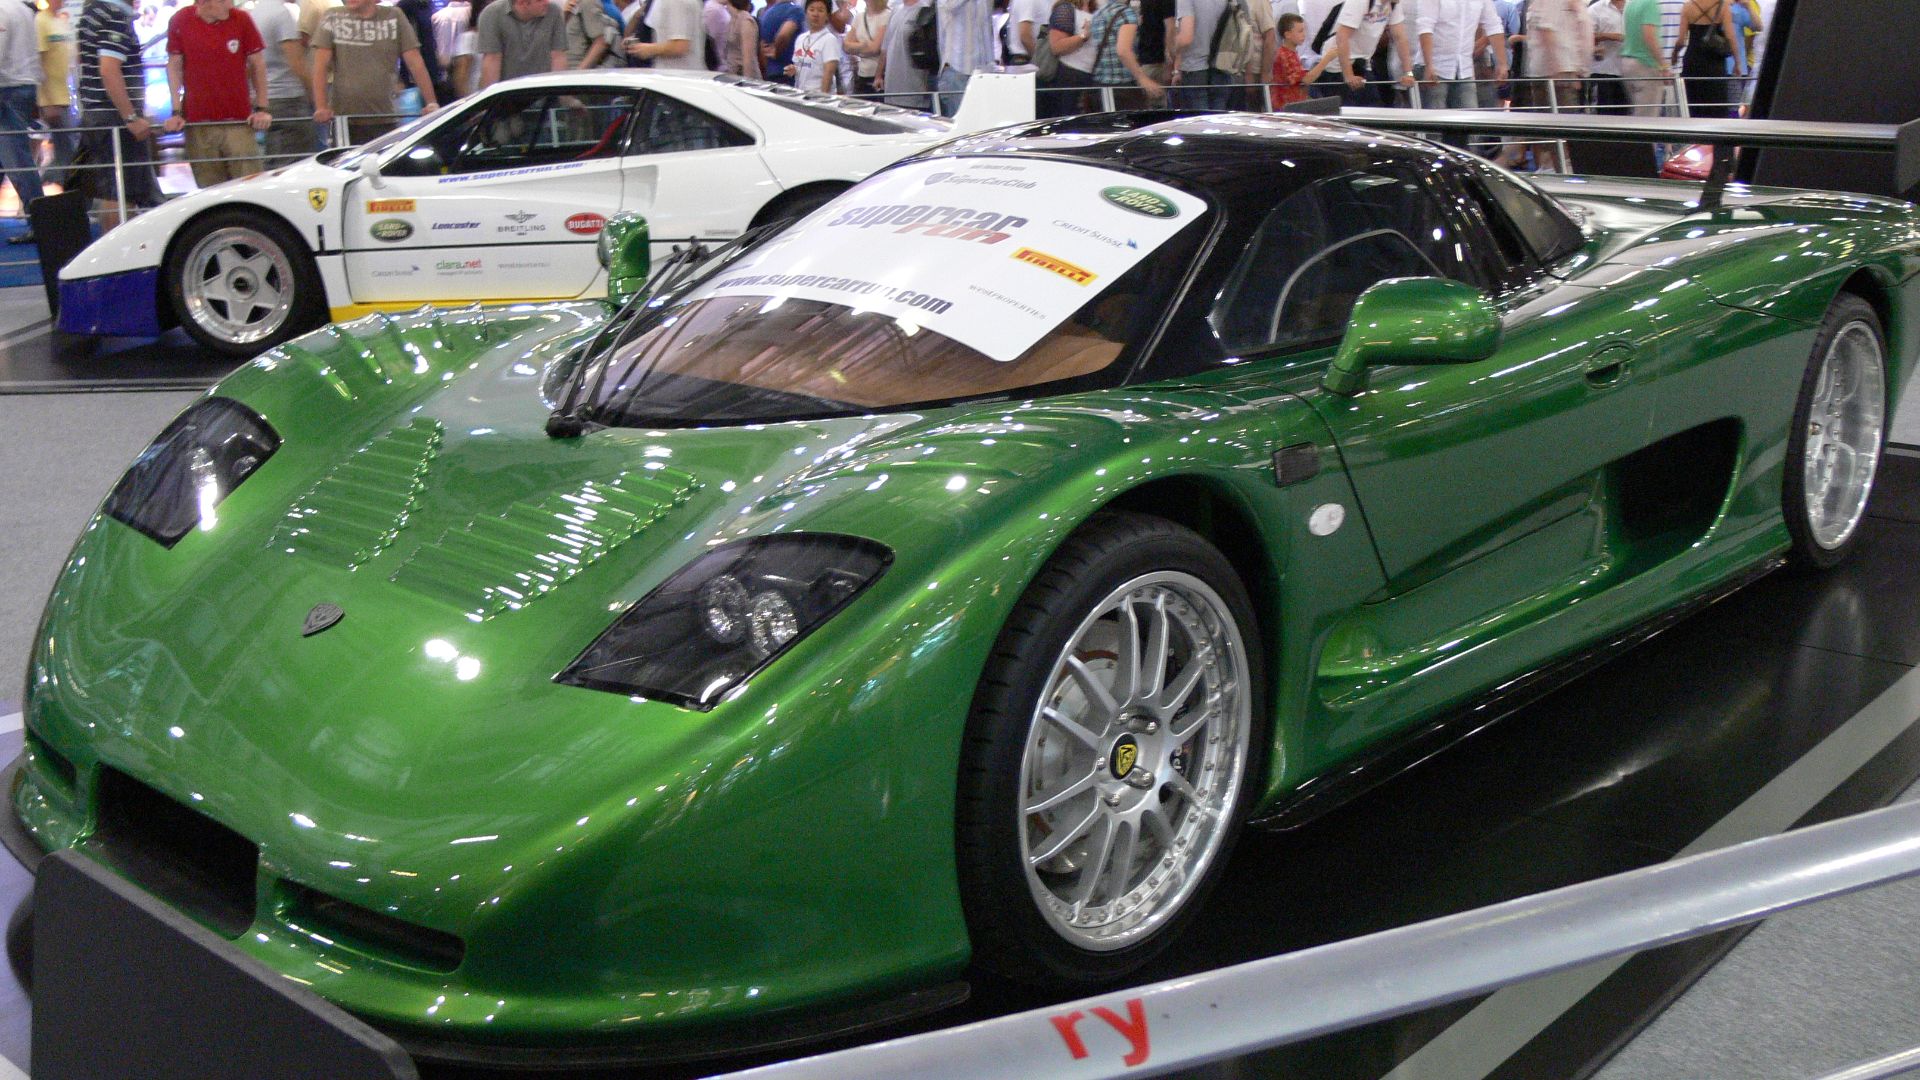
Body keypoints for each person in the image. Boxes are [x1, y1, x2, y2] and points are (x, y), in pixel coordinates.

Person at [165, 0, 271, 189]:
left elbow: (258, 64)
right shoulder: (180, 20)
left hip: (238, 120)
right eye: (223, 0)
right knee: (209, 190)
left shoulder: (241, 19)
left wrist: (262, 108)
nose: (230, 5)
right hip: (199, 122)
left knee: (250, 186)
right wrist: (176, 110)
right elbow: (174, 66)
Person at [77, 0, 159, 226]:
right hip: (114, 117)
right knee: (122, 192)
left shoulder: (92, 11)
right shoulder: (115, 15)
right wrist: (130, 116)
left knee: (112, 190)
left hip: (98, 113)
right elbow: (109, 69)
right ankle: (121, 256)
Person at [312, 0, 439, 145]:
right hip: (344, 119)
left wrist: (431, 102)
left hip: (385, 115)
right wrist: (321, 106)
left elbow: (415, 62)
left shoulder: (394, 16)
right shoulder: (332, 16)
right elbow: (320, 66)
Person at [1300, 0, 1415, 105]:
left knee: (1372, 106)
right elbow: (1342, 36)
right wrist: (1348, 75)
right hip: (1337, 64)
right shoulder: (1360, 2)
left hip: (1362, 62)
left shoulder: (1393, 4)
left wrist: (1408, 73)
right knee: (1346, 108)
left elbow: (1400, 38)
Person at [0, 0, 43, 219]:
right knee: (11, 155)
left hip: (7, 89)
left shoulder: (2, 9)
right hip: (24, 86)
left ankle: (40, 221)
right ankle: (39, 219)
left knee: (16, 158)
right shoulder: (25, 9)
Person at [1417, 0, 1504, 110]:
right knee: (1435, 121)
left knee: (1470, 120)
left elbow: (1494, 25)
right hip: (1435, 67)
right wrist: (1429, 65)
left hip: (1465, 69)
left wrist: (1502, 64)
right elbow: (1425, 27)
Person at [36, 0, 78, 190]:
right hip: (53, 99)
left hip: (65, 95)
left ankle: (62, 186)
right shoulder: (41, 21)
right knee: (68, 149)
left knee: (68, 148)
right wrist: (47, 100)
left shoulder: (59, 21)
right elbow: (38, 62)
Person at [1091, 0, 1162, 107]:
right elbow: (1123, 51)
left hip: (1100, 85)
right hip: (1123, 86)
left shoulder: (1098, 13)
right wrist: (1143, 78)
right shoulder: (1126, 14)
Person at [478, 0, 567, 86]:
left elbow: (558, 56)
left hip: (542, 89)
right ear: (522, 3)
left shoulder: (554, 12)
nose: (546, 2)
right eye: (540, 0)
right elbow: (492, 59)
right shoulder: (492, 14)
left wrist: (557, 92)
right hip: (507, 90)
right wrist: (493, 97)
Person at [934, 0, 992, 116]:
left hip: (982, 72)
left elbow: (986, 29)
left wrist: (991, 63)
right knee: (960, 127)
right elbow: (950, 6)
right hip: (957, 69)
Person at [1040, 0, 1095, 117]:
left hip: (1090, 77)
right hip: (1069, 77)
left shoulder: (1096, 9)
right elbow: (1057, 47)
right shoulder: (1066, 9)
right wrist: (1083, 36)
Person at [874, 0, 929, 108]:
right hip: (891, 88)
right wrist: (878, 75)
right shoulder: (895, 10)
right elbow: (885, 45)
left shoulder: (925, 10)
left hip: (914, 88)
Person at [1616, 0, 1667, 115]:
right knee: (1647, 118)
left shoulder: (1631, 3)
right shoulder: (1650, 4)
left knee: (1637, 113)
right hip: (1645, 64)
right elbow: (1649, 36)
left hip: (1628, 61)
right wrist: (1664, 65)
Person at [629, 0, 705, 70]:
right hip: (672, 76)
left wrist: (648, 49)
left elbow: (680, 45)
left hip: (679, 77)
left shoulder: (675, 2)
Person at [786, 0, 842, 91]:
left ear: (827, 15)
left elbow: (828, 73)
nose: (815, 14)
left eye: (820, 10)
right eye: (811, 10)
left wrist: (822, 98)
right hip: (800, 94)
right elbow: (800, 65)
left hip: (819, 97)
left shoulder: (829, 40)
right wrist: (794, 69)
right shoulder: (801, 38)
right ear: (806, 13)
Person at [843, 0, 888, 95]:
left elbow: (874, 48)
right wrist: (863, 44)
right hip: (861, 75)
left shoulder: (886, 16)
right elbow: (846, 46)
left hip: (879, 76)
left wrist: (856, 48)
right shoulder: (859, 17)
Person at [1587, 0, 1624, 111]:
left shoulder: (1634, 6)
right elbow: (1585, 35)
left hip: (1627, 71)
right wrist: (1609, 36)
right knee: (1604, 111)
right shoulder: (1595, 9)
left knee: (1625, 114)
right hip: (1603, 70)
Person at [565, 0, 624, 67]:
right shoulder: (570, 6)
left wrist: (579, 72)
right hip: (563, 70)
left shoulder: (588, 3)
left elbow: (601, 41)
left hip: (577, 69)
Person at [758, 0, 804, 82]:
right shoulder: (795, 11)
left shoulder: (766, 14)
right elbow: (784, 34)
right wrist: (776, 51)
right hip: (788, 73)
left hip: (770, 72)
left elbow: (761, 45)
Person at [1269, 11, 1309, 107]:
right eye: (1300, 31)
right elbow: (1305, 79)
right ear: (1288, 34)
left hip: (1294, 104)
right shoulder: (1284, 55)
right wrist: (1327, 59)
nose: (1304, 34)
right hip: (1285, 107)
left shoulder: (1292, 53)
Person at [723, 0, 761, 75]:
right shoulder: (732, 18)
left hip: (743, 77)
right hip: (733, 75)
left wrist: (746, 82)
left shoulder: (746, 21)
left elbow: (748, 58)